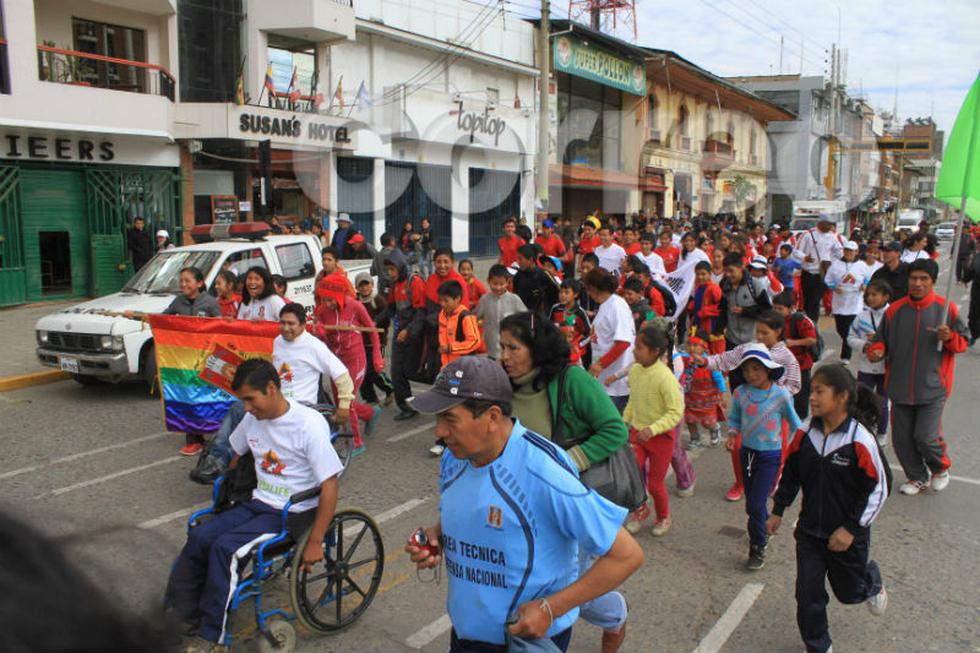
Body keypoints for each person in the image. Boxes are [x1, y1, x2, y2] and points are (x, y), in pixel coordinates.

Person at [405, 356, 643, 653]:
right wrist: (437, 536)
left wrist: (550, 608)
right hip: (466, 634)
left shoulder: (543, 472)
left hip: (524, 641)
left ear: (492, 417)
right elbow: (468, 509)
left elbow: (626, 556)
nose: (439, 432)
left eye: (450, 419)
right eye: (437, 419)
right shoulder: (456, 457)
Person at [166, 359, 342, 652]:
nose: (246, 408)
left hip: (292, 513)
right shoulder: (252, 418)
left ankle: (212, 636)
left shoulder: (308, 424)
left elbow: (330, 484)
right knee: (200, 535)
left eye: (250, 399)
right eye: (243, 401)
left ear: (271, 388)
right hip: (256, 503)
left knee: (225, 549)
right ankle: (181, 613)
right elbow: (236, 455)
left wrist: (315, 540)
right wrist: (227, 491)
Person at [496, 313, 632, 652]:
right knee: (528, 582)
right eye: (502, 347)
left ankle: (615, 615)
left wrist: (567, 463)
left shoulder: (572, 380)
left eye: (513, 348)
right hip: (520, 503)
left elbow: (615, 430)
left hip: (569, 500)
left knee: (571, 590)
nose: (504, 356)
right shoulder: (503, 384)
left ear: (537, 348)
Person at [769, 364, 889, 653]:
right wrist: (778, 510)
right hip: (810, 532)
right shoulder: (804, 432)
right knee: (807, 593)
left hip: (848, 535)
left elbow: (879, 488)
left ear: (842, 397)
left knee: (849, 593)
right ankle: (818, 645)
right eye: (812, 391)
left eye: (820, 391)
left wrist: (850, 529)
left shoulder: (860, 439)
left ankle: (871, 582)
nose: (812, 397)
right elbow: (791, 473)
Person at [191, 303, 355, 484]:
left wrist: (344, 407)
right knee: (238, 408)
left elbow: (342, 376)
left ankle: (227, 462)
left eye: (291, 324)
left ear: (302, 325)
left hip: (302, 405)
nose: (286, 328)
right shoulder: (278, 342)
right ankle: (216, 459)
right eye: (282, 323)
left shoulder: (314, 346)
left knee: (250, 415)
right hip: (277, 398)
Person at [867, 259, 969, 495]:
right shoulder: (894, 310)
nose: (918, 283)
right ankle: (917, 477)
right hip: (899, 386)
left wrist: (949, 338)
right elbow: (880, 341)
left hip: (933, 386)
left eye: (924, 279)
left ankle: (939, 468)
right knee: (902, 440)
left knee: (925, 436)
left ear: (932, 281)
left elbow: (962, 343)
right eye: (914, 278)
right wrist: (877, 351)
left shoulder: (946, 309)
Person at [699, 310, 801, 501]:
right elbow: (725, 359)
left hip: (776, 415)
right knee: (739, 448)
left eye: (765, 332)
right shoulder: (749, 349)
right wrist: (704, 361)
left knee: (777, 452)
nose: (760, 336)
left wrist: (776, 396)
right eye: (758, 332)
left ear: (778, 331)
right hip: (749, 409)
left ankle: (774, 481)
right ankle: (740, 483)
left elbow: (795, 384)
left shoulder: (786, 357)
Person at [725, 344, 801, 570]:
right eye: (746, 369)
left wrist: (794, 450)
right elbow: (734, 418)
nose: (751, 374)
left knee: (755, 503)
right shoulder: (740, 393)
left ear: (768, 369)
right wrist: (732, 435)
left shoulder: (781, 395)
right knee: (753, 504)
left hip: (770, 456)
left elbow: (796, 424)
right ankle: (764, 523)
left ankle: (758, 546)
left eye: (756, 369)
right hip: (747, 454)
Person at [618, 325, 684, 536]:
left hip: (661, 439)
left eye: (639, 347)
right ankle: (640, 510)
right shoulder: (635, 371)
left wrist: (653, 429)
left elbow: (675, 412)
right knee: (633, 478)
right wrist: (623, 422)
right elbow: (633, 401)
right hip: (637, 435)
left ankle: (664, 517)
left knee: (655, 484)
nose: (634, 351)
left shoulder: (665, 377)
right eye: (635, 346)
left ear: (655, 351)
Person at [155, 266, 223, 456]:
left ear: (199, 283)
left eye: (187, 281)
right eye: (181, 281)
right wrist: (142, 317)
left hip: (207, 359)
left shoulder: (210, 303)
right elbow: (163, 320)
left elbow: (221, 329)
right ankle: (194, 440)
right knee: (187, 396)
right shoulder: (178, 301)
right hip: (184, 359)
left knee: (208, 396)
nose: (183, 284)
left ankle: (218, 433)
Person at [314, 273, 384, 453]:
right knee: (340, 403)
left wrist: (377, 355)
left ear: (339, 295)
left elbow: (372, 330)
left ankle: (355, 443)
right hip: (335, 361)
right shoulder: (321, 311)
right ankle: (369, 413)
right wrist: (320, 335)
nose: (327, 304)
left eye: (330, 300)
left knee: (347, 402)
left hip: (356, 359)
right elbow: (319, 340)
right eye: (324, 300)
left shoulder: (355, 306)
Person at [583, 268, 635, 412]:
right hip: (604, 378)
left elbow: (623, 342)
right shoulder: (605, 305)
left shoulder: (617, 306)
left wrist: (601, 364)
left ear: (593, 288)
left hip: (616, 382)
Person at [847, 280, 891, 446]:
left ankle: (882, 432)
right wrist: (864, 346)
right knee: (862, 398)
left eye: (875, 294)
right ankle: (863, 429)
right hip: (866, 366)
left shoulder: (893, 315)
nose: (870, 298)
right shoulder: (861, 317)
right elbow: (850, 337)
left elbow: (901, 340)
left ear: (886, 296)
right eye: (868, 295)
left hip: (886, 367)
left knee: (883, 402)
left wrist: (882, 344)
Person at [386, 257, 428, 422]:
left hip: (415, 333)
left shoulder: (414, 283)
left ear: (400, 267)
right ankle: (407, 407)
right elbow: (391, 308)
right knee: (397, 372)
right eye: (388, 269)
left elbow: (421, 313)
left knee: (412, 371)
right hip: (400, 333)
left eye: (392, 269)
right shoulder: (393, 284)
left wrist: (408, 331)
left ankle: (444, 394)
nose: (390, 273)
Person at [674, 335, 727, 450]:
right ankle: (695, 438)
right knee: (689, 419)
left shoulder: (710, 363)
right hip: (690, 398)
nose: (691, 348)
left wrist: (723, 394)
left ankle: (714, 428)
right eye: (689, 344)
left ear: (704, 347)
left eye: (695, 345)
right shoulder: (684, 360)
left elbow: (719, 379)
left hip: (707, 400)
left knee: (707, 422)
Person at [772, 290, 818, 419]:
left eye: (780, 309)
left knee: (800, 396)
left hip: (801, 364)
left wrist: (792, 343)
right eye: (774, 308)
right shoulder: (774, 320)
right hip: (781, 363)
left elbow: (812, 340)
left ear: (791, 308)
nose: (776, 311)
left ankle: (800, 421)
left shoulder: (801, 321)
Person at [824, 241, 871, 362]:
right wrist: (834, 287)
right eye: (846, 250)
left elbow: (868, 278)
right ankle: (850, 342)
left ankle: (846, 355)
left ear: (856, 252)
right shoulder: (835, 265)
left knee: (848, 329)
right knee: (841, 329)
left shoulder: (862, 265)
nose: (849, 253)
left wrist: (865, 285)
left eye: (851, 251)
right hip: (839, 301)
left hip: (854, 301)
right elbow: (827, 279)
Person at [793, 215, 843, 322]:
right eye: (828, 224)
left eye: (831, 224)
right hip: (808, 273)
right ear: (821, 223)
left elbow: (839, 251)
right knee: (808, 299)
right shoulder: (808, 234)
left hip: (822, 273)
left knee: (815, 299)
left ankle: (813, 322)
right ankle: (808, 321)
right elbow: (796, 251)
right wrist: (805, 257)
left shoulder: (832, 237)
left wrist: (833, 261)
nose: (830, 227)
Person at [719, 252, 772, 351]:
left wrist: (745, 311)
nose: (728, 274)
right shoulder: (724, 285)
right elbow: (722, 309)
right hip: (731, 340)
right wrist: (719, 330)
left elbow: (766, 310)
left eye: (731, 271)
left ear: (741, 268)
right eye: (726, 271)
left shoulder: (755, 285)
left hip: (752, 341)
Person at [356, 273, 395, 406]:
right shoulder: (356, 301)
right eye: (361, 285)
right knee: (362, 371)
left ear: (372, 285)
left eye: (367, 284)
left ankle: (389, 388)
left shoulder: (378, 300)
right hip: (361, 342)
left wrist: (374, 323)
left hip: (377, 342)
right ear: (357, 287)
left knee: (373, 370)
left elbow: (386, 320)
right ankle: (370, 398)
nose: (364, 288)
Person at [475, 264, 526, 359]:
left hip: (510, 348)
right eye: (495, 284)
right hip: (491, 347)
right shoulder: (485, 300)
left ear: (508, 282)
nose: (498, 287)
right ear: (488, 281)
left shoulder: (514, 299)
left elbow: (527, 317)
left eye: (501, 284)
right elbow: (475, 317)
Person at [437, 280, 483, 367]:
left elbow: (475, 342)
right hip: (446, 364)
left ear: (457, 299)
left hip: (463, 365)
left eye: (446, 300)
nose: (442, 304)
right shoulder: (442, 314)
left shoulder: (466, 317)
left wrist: (451, 348)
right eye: (440, 300)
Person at [550, 278, 592, 367]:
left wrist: (578, 345)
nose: (562, 295)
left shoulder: (580, 312)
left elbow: (590, 334)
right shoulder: (555, 308)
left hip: (577, 354)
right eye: (561, 292)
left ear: (575, 294)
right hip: (559, 350)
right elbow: (549, 327)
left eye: (566, 292)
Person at [688, 261, 725, 354]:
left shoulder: (714, 288)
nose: (700, 277)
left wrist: (705, 311)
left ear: (710, 274)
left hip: (712, 327)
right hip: (699, 326)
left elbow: (722, 306)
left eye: (703, 274)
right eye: (698, 274)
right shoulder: (698, 288)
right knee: (701, 351)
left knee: (715, 354)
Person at [513, 244, 558, 319]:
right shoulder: (518, 276)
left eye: (520, 259)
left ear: (530, 260)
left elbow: (555, 293)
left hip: (541, 317)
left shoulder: (543, 274)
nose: (518, 262)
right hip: (523, 316)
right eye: (517, 259)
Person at [372, 232, 406, 297]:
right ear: (391, 242)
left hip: (381, 286)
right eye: (394, 240)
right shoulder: (395, 254)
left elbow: (372, 272)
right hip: (394, 285)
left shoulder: (377, 255)